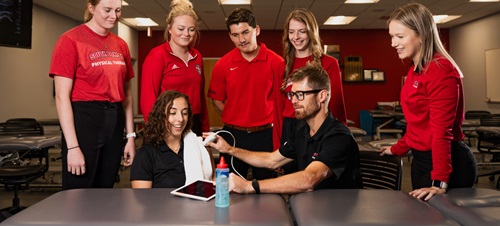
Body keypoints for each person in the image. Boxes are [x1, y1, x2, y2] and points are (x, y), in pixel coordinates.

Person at [205, 64, 362, 194]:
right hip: (310, 207)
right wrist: (229, 149)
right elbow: (271, 160)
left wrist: (248, 186)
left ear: (322, 96)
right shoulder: (301, 129)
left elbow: (309, 179)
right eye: (292, 95)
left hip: (339, 213)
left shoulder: (339, 137)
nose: (293, 100)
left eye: (300, 94)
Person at [380, 2, 477, 201]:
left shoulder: (440, 70)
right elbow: (418, 123)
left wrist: (440, 181)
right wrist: (397, 148)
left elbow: (441, 131)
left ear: (422, 34)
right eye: (392, 36)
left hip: (445, 164)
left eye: (400, 36)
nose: (393, 43)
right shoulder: (416, 69)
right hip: (422, 161)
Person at [49, 0, 135, 190]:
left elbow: (127, 94)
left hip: (114, 119)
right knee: (79, 190)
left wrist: (130, 137)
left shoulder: (121, 44)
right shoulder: (70, 40)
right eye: (107, 10)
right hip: (85, 118)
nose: (114, 16)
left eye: (118, 10)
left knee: (106, 189)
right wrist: (72, 147)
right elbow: (62, 97)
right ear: (91, 7)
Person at [207, 8, 285, 180]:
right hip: (233, 136)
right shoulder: (222, 65)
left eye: (245, 32)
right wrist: (236, 117)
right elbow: (217, 101)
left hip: (266, 136)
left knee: (268, 189)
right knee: (229, 189)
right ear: (230, 36)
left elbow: (284, 104)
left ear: (256, 30)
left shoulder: (277, 63)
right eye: (235, 35)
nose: (241, 40)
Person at [279, 8, 347, 174]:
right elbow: (280, 107)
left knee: (313, 180)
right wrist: (279, 146)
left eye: (302, 31)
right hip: (289, 128)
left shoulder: (328, 63)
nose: (296, 37)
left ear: (312, 32)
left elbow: (336, 103)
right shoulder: (284, 64)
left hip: (316, 126)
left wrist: (341, 136)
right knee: (289, 182)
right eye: (292, 32)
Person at [140, 0, 208, 136]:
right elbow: (148, 97)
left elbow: (200, 98)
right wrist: (156, 130)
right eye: (181, 29)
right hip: (168, 123)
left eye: (191, 29)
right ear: (170, 28)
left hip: (194, 123)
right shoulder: (158, 55)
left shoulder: (197, 57)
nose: (186, 34)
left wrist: (205, 129)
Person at [131, 90, 214, 188]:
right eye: (173, 113)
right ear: (160, 116)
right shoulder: (146, 154)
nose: (180, 119)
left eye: (185, 113)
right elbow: (141, 198)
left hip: (200, 203)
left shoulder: (199, 146)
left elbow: (215, 185)